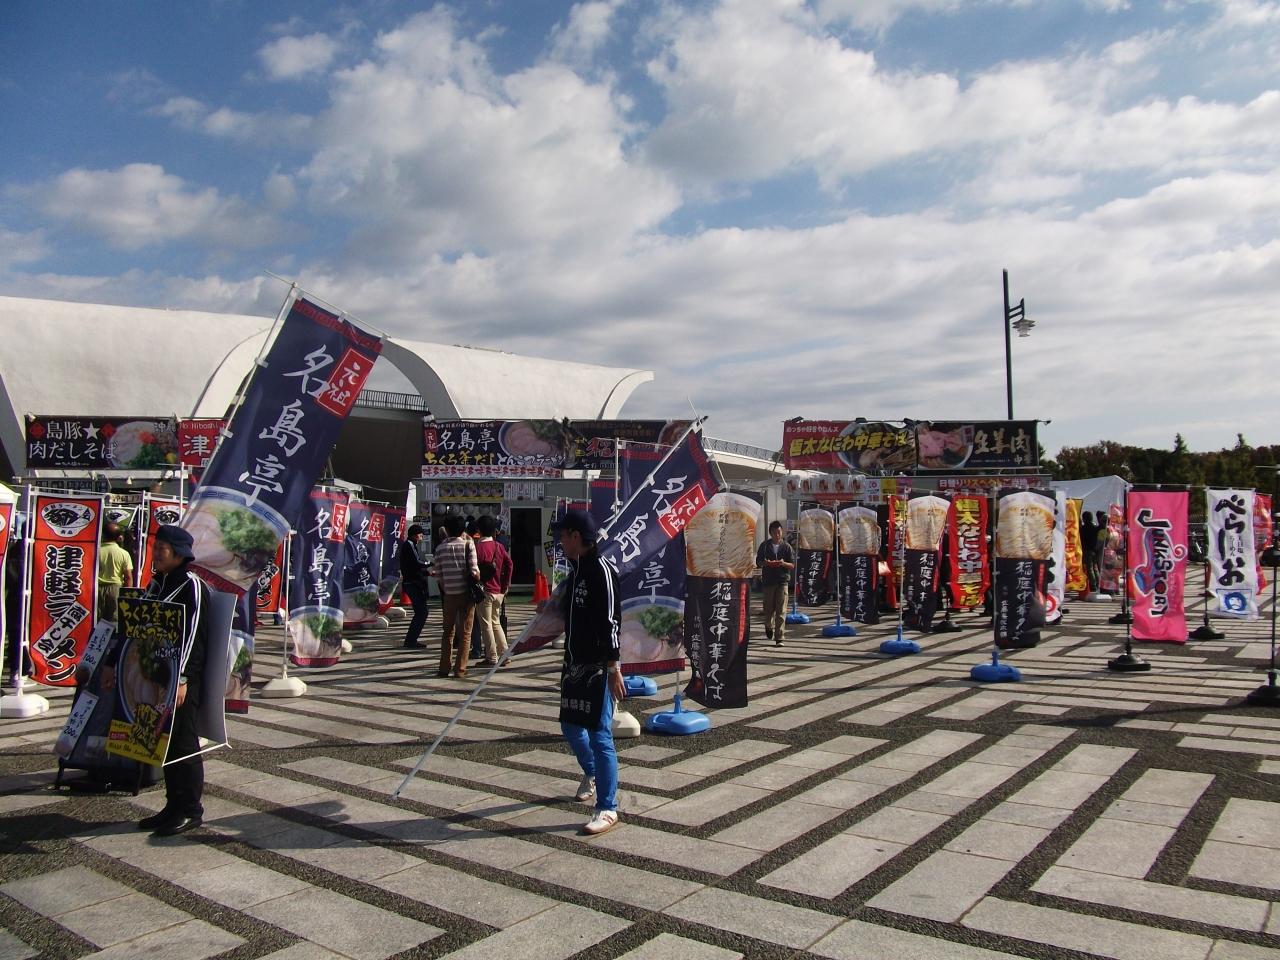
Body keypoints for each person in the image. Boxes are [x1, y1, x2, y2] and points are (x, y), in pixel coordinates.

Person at [113, 525, 209, 837]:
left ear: (179, 554)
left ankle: (190, 809)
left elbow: (193, 635)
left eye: (162, 549)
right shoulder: (157, 583)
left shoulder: (191, 585)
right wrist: (114, 664)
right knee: (162, 740)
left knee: (183, 741)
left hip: (181, 681)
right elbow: (137, 624)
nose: (155, 554)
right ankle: (172, 804)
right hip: (155, 677)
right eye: (155, 548)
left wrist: (182, 677)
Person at [550, 509, 623, 836]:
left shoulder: (601, 572)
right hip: (573, 665)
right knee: (569, 725)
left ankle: (607, 807)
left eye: (563, 536)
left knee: (599, 733)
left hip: (598, 667)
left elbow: (611, 623)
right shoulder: (575, 571)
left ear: (576, 537)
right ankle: (592, 772)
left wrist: (614, 668)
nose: (560, 541)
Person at [432, 514, 480, 678]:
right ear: (463, 529)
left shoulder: (440, 548)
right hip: (466, 595)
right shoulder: (468, 545)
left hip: (449, 596)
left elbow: (438, 575)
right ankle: (460, 669)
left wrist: (446, 588)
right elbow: (474, 571)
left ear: (446, 529)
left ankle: (444, 667)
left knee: (448, 632)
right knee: (465, 633)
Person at [475, 515, 513, 665]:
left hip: (484, 591)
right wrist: (505, 586)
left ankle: (491, 657)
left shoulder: (477, 547)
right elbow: (509, 564)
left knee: (486, 625)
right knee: (496, 622)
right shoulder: (499, 546)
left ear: (479, 530)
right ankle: (505, 654)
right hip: (498, 591)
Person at [755, 520, 794, 645]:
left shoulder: (786, 547)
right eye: (774, 533)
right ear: (770, 533)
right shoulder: (765, 546)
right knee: (768, 609)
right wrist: (767, 563)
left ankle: (779, 637)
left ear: (782, 532)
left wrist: (782, 563)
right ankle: (768, 625)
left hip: (782, 581)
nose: (777, 535)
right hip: (768, 581)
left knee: (781, 610)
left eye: (779, 532)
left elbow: (792, 565)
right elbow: (758, 562)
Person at [398, 524, 432, 649]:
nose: (421, 536)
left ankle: (411, 639)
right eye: (420, 533)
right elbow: (416, 563)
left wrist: (427, 572)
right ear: (414, 534)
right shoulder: (409, 545)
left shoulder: (411, 545)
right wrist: (429, 564)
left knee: (420, 612)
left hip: (411, 582)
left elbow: (412, 566)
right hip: (412, 583)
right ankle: (411, 640)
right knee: (422, 612)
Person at [96, 521, 134, 623]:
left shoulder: (95, 551)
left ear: (102, 534)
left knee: (97, 619)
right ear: (118, 537)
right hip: (115, 590)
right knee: (114, 620)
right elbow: (128, 577)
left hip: (97, 589)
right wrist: (127, 596)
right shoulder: (124, 553)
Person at [1080, 512, 1099, 593]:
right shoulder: (1095, 528)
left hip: (1087, 550)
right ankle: (1098, 583)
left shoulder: (1083, 529)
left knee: (1089, 568)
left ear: (1084, 519)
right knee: (1095, 568)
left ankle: (1093, 585)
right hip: (1094, 551)